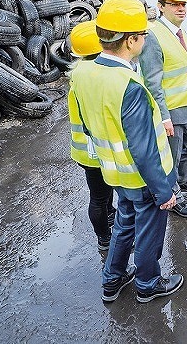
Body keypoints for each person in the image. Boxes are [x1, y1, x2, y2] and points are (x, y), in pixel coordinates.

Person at [70, 0, 183, 303]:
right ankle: (147, 283)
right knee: (148, 232)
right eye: (143, 35)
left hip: (113, 171)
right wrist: (164, 191)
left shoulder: (83, 72)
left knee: (123, 225)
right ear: (131, 40)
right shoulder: (128, 84)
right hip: (142, 177)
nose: (146, 38)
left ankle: (113, 279)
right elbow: (144, 149)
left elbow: (89, 123)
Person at [138, 0, 187, 219]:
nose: (181, 8)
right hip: (172, 112)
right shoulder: (154, 36)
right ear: (161, 6)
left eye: (184, 4)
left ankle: (183, 180)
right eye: (175, 4)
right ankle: (173, 195)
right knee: (171, 159)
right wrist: (163, 117)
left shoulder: (179, 32)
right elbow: (152, 81)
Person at [67, 20, 116, 251]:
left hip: (84, 150)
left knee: (101, 194)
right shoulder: (97, 76)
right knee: (98, 197)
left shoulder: (78, 73)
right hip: (96, 149)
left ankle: (109, 218)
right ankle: (104, 239)